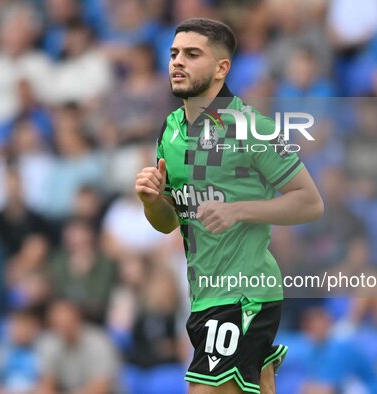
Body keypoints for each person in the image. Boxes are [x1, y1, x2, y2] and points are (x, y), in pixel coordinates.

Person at [134, 18, 324, 394]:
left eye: (191, 54)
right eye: (173, 54)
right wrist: (151, 200)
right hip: (204, 293)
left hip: (244, 291)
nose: (177, 62)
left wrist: (239, 210)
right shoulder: (169, 130)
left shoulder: (251, 127)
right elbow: (168, 223)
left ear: (222, 68)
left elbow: (309, 202)